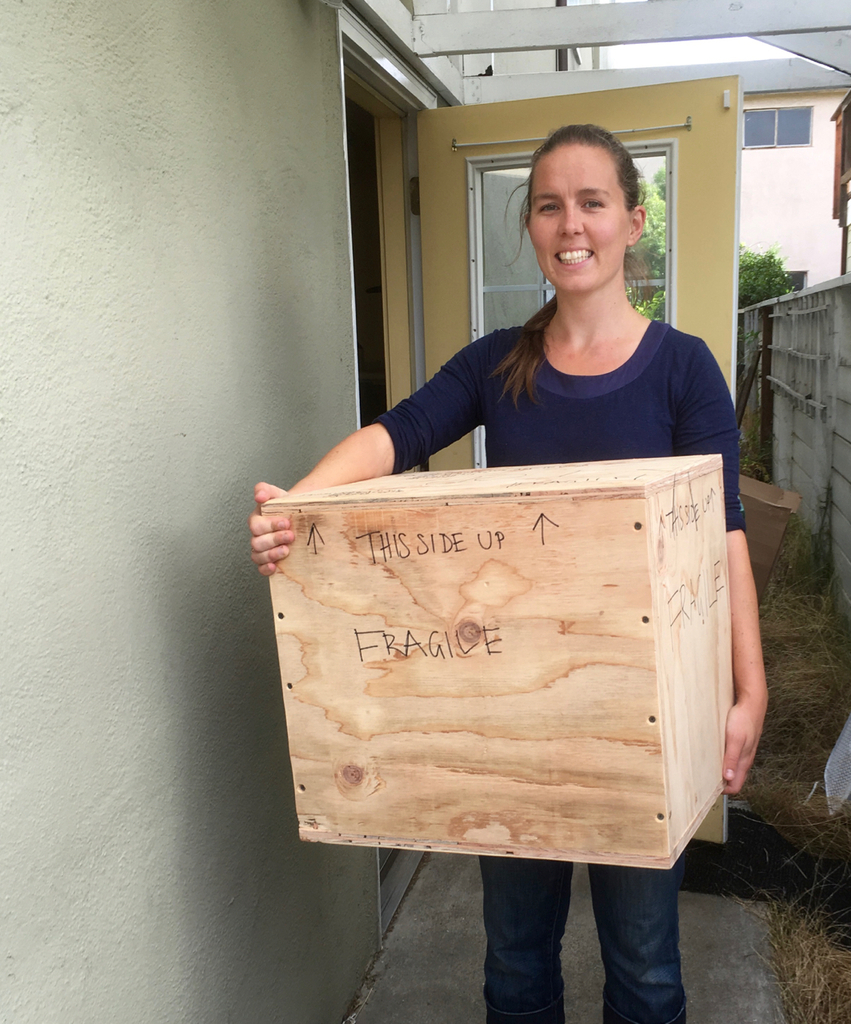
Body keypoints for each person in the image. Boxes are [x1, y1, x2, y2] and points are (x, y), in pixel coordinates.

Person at [249, 124, 767, 1024]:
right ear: (531, 227)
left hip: (644, 721)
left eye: (592, 202)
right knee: (516, 963)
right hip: (517, 722)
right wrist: (296, 507)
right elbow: (397, 435)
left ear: (632, 220)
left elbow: (723, 538)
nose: (572, 225)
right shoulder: (496, 364)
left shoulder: (683, 368)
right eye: (549, 206)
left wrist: (747, 694)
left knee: (645, 969)